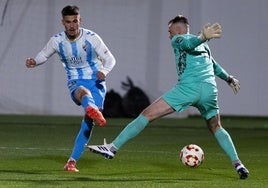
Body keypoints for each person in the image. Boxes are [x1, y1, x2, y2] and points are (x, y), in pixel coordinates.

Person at [87, 15, 249, 179]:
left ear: (177, 29)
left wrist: (201, 37)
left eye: (169, 30)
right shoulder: (204, 45)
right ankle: (238, 164)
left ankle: (113, 148)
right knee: (216, 127)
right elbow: (214, 65)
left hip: (188, 89)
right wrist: (228, 78)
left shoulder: (178, 39)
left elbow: (187, 44)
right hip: (210, 90)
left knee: (146, 114)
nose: (168, 34)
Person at [26, 5, 116, 172]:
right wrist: (34, 62)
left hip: (96, 81)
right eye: (68, 22)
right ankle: (91, 107)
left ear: (80, 20)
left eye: (75, 21)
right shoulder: (57, 40)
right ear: (63, 23)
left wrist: (104, 71)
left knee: (88, 124)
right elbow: (44, 54)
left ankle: (71, 162)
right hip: (75, 81)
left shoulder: (92, 38)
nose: (72, 25)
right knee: (84, 94)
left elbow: (110, 59)